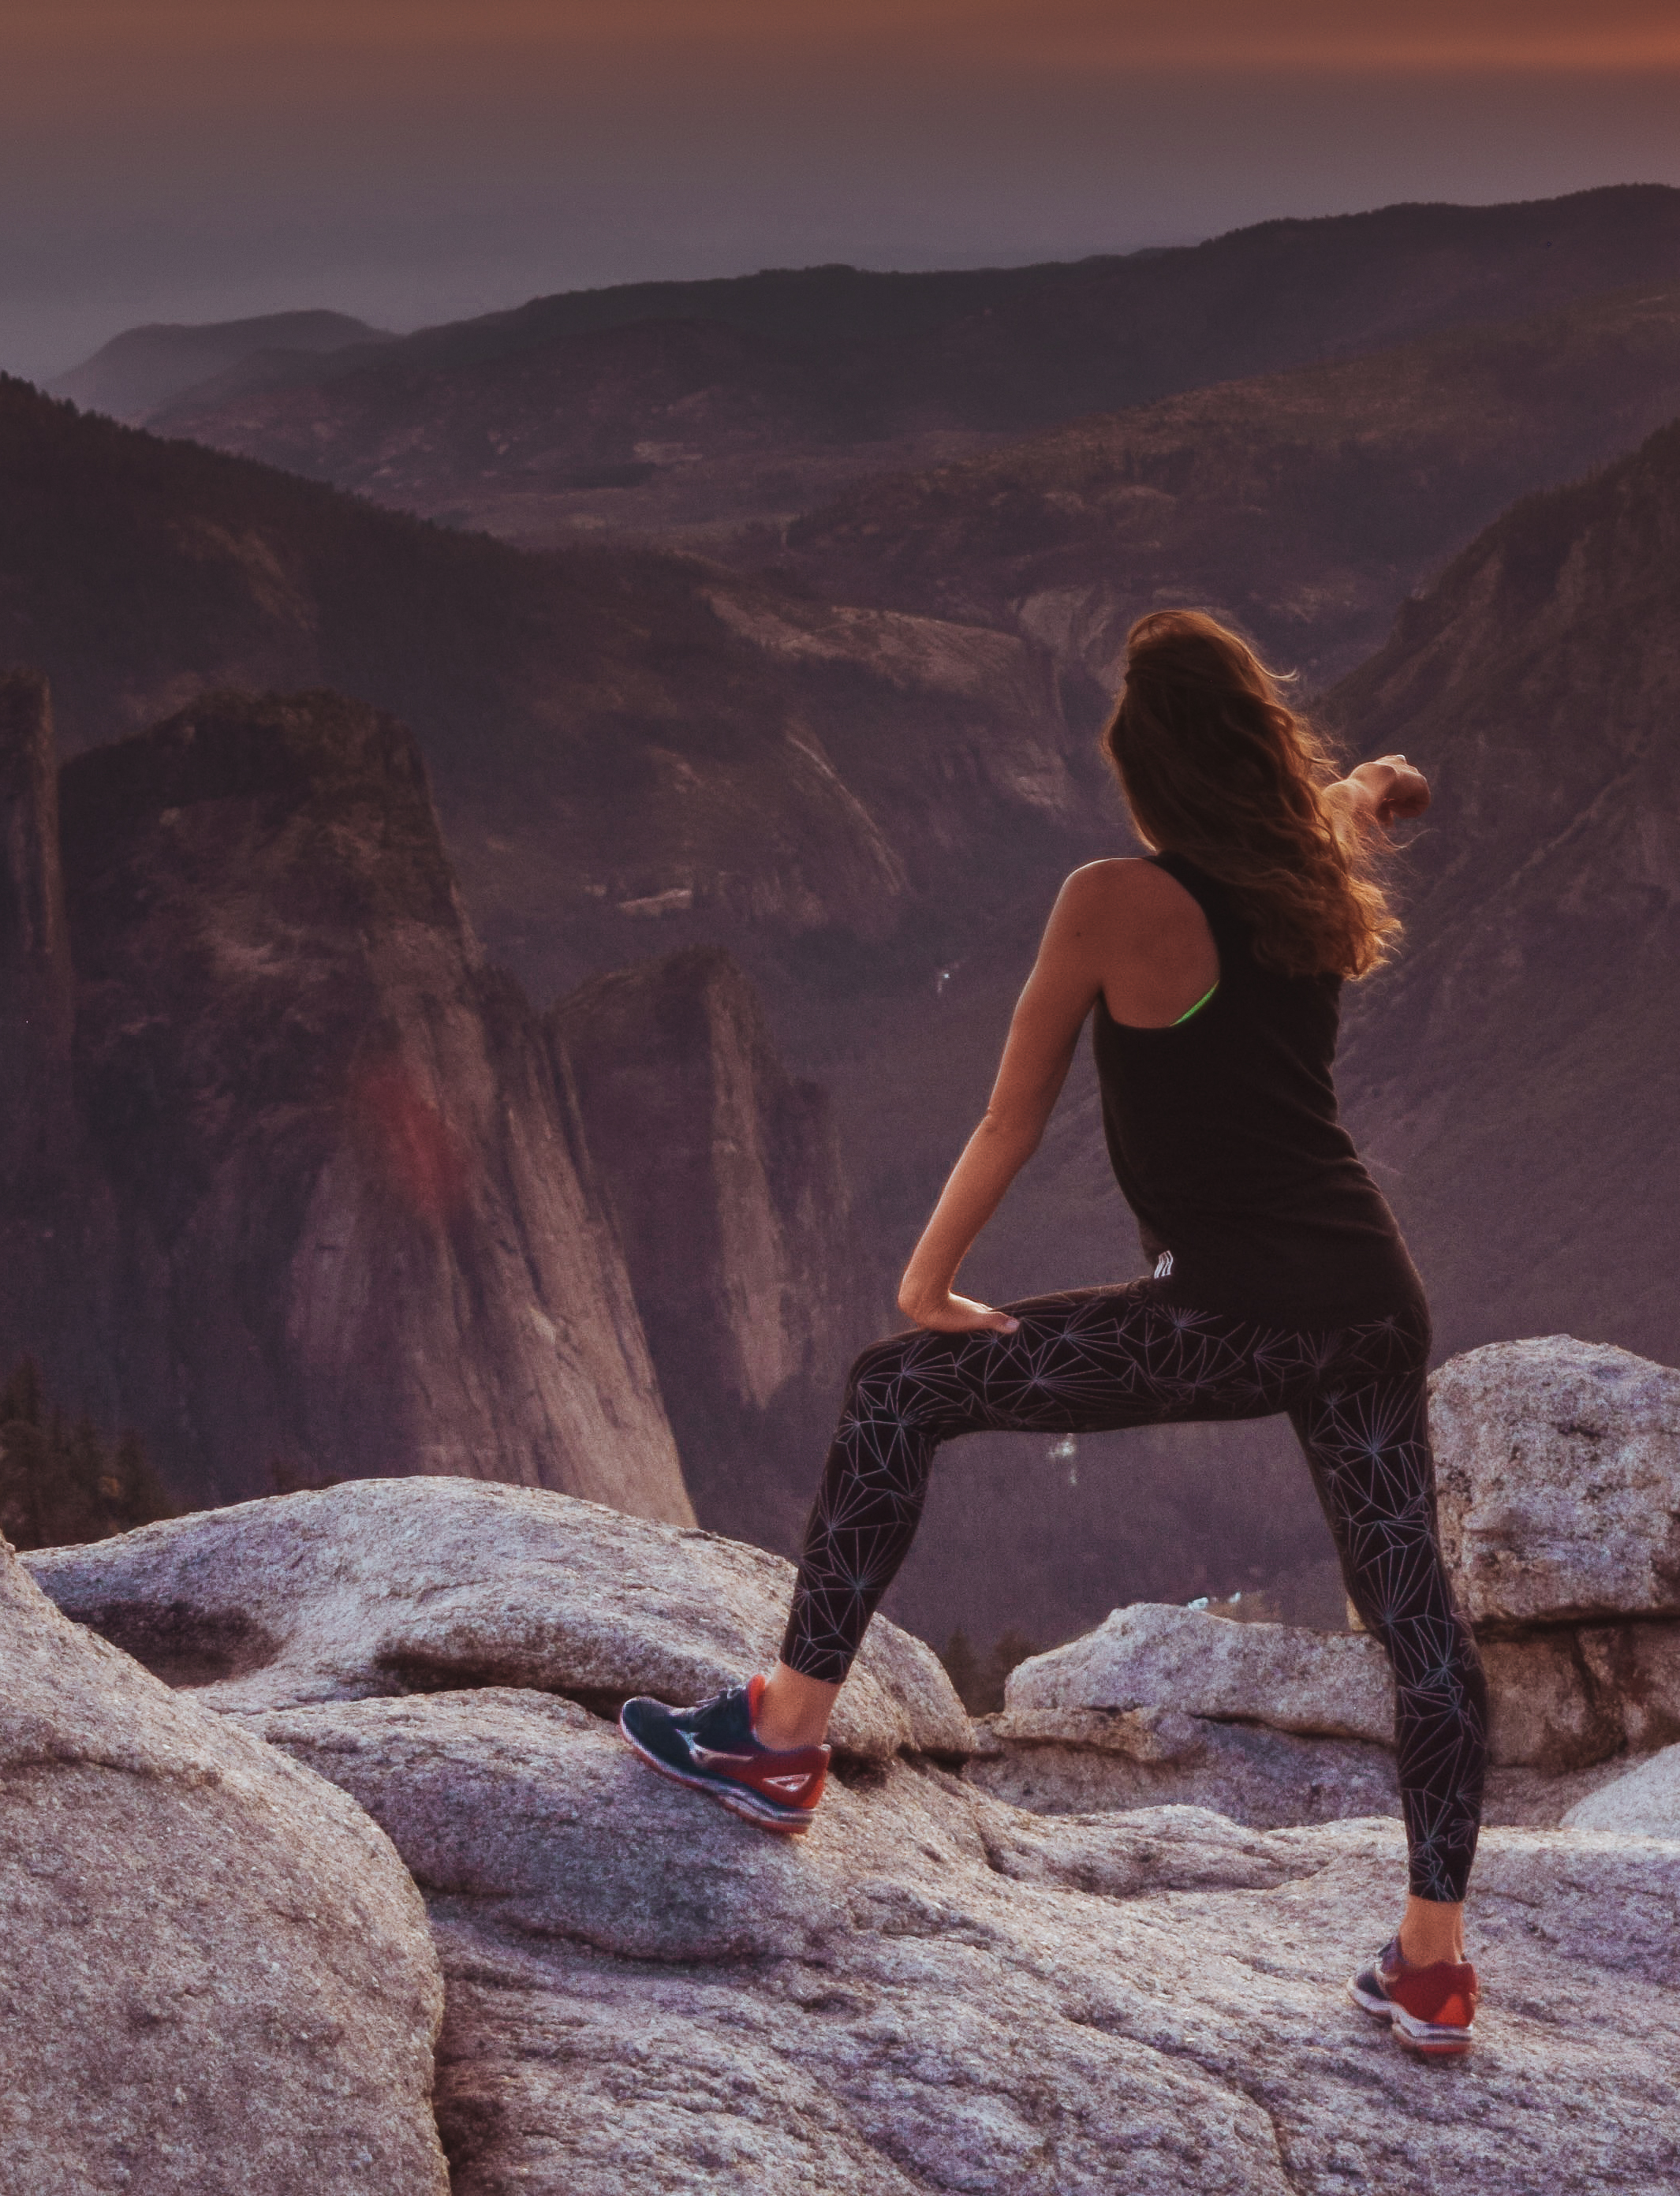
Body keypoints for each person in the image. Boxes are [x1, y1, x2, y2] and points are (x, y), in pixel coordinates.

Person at [618, 607, 1493, 2057]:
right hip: (1367, 1301)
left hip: (1224, 1314)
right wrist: (1375, 786)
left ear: (1146, 769)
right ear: (1260, 754)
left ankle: (779, 1739)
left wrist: (928, 1282)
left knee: (897, 1392)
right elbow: (1341, 808)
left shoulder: (1110, 899)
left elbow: (1011, 1116)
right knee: (1416, 1618)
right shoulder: (1303, 868)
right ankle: (1435, 1967)